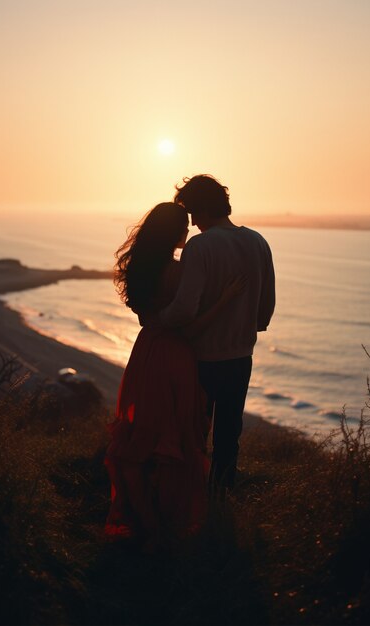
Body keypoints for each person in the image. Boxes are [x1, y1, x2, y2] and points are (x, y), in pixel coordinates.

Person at [104, 202, 243, 551]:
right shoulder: (178, 272)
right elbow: (189, 325)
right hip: (175, 358)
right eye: (184, 226)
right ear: (173, 232)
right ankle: (169, 522)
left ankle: (143, 518)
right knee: (176, 438)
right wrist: (225, 299)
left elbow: (145, 317)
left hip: (145, 353)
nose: (189, 231)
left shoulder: (139, 268)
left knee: (145, 436)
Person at [160, 175, 275, 495]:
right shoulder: (258, 241)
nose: (192, 222)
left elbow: (184, 308)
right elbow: (265, 311)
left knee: (192, 433)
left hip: (201, 358)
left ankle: (188, 499)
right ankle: (222, 498)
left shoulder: (201, 245)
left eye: (192, 212)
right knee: (228, 435)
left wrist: (159, 320)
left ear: (202, 208)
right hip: (241, 356)